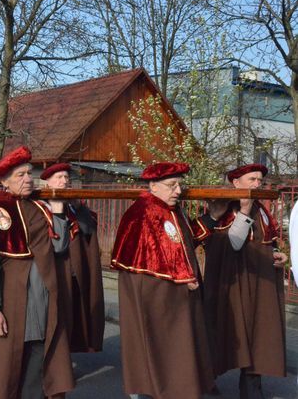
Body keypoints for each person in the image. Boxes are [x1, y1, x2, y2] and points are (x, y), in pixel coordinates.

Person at [0, 146, 75, 399]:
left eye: (29, 173)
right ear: (4, 181)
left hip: (42, 299)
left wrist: (57, 210)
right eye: (20, 175)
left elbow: (60, 246)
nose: (28, 179)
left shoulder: (40, 208)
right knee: (7, 367)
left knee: (39, 363)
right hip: (12, 302)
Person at [111, 162, 214, 399]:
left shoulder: (170, 209)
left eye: (179, 185)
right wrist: (183, 276)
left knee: (176, 349)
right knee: (154, 346)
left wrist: (213, 217)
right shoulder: (145, 212)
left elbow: (183, 242)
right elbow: (156, 253)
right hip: (154, 293)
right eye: (171, 185)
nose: (178, 190)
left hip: (173, 292)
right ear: (153, 185)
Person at [193, 163, 287, 398]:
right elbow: (234, 243)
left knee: (258, 334)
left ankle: (251, 390)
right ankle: (206, 380)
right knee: (222, 329)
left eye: (260, 180)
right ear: (236, 183)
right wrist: (244, 210)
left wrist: (278, 254)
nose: (258, 184)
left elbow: (268, 240)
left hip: (260, 284)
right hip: (232, 284)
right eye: (252, 179)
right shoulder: (226, 207)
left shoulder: (262, 209)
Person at [40, 163, 105, 353]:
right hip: (53, 272)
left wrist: (79, 207)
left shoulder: (74, 205)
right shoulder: (41, 206)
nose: (65, 181)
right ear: (48, 182)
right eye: (59, 177)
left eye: (67, 178)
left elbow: (87, 231)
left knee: (73, 313)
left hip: (74, 270)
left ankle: (68, 351)